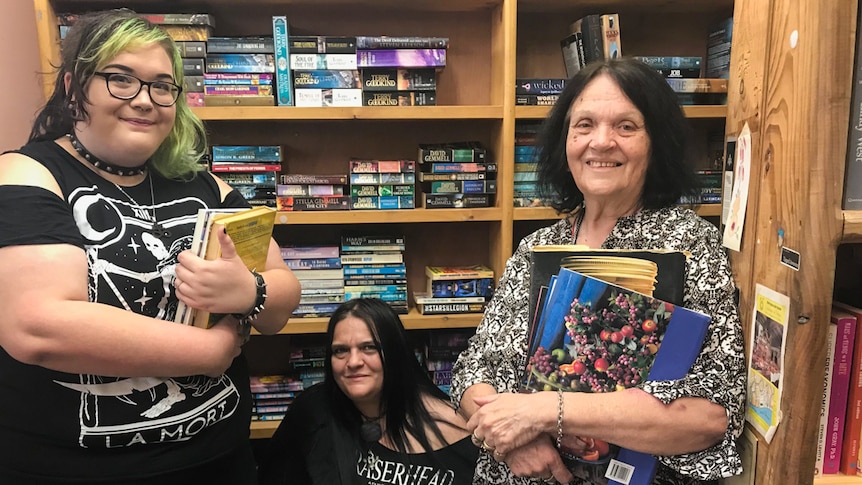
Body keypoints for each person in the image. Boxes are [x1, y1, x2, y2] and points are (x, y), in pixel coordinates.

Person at [0, 9, 300, 484]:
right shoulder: (28, 173)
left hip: (219, 459)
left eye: (162, 86)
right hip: (75, 471)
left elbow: (282, 297)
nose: (144, 100)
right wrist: (210, 350)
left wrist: (249, 291)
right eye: (121, 79)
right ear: (76, 87)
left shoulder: (207, 187)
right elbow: (39, 326)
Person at [451, 57, 746, 485]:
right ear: (565, 141)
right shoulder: (537, 246)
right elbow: (474, 370)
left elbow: (710, 414)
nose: (601, 142)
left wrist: (542, 412)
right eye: (584, 124)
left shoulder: (690, 244)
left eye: (626, 126)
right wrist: (514, 438)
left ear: (656, 142)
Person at [258, 298, 479, 485]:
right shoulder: (313, 411)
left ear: (395, 353)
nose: (353, 362)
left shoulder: (456, 428)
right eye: (341, 350)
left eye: (369, 347)